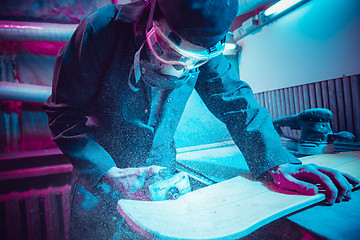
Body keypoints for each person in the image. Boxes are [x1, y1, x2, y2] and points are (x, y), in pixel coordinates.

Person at [43, 0, 359, 239]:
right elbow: (64, 114)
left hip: (160, 180)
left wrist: (277, 162)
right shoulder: (100, 31)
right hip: (99, 180)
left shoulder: (203, 42)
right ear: (154, 14)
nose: (177, 68)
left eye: (191, 62)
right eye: (171, 49)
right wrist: (108, 171)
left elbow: (236, 102)